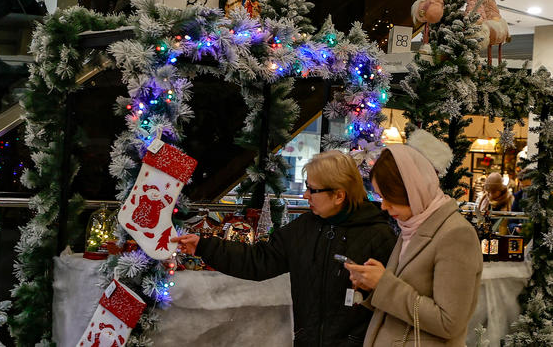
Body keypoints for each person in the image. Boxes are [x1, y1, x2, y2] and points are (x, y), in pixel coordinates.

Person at [172, 150, 397, 346]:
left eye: (313, 189)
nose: (305, 195)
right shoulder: (303, 229)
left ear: (339, 195)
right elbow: (257, 260)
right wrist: (204, 245)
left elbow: (394, 303)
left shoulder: (379, 236)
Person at [345, 145, 482, 347]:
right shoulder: (414, 223)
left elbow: (449, 323)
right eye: (380, 197)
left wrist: (383, 284)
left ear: (410, 189)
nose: (383, 206)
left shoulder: (455, 234)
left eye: (388, 197)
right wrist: (372, 287)